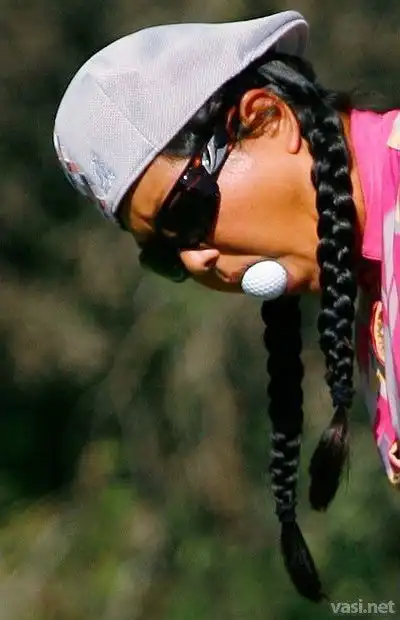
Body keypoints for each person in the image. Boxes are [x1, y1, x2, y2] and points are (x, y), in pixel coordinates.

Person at [53, 10, 400, 602]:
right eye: (166, 253)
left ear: (268, 119)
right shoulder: (372, 282)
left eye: (186, 213)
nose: (197, 262)